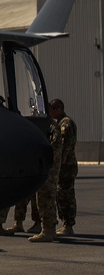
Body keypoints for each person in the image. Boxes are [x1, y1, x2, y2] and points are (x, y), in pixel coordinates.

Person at [29, 105, 64, 243]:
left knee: (45, 198)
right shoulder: (49, 125)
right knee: (46, 198)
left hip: (49, 168)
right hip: (49, 166)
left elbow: (55, 147)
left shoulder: (50, 126)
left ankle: (48, 231)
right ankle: (49, 229)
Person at [53, 99, 78, 236]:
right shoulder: (63, 122)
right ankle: (67, 223)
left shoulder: (65, 124)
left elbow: (64, 148)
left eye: (52, 109)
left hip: (66, 166)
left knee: (65, 195)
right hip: (67, 165)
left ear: (59, 109)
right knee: (63, 194)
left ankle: (68, 224)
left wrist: (58, 164)